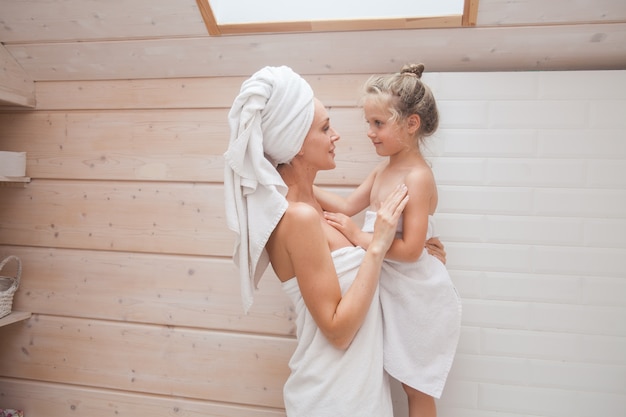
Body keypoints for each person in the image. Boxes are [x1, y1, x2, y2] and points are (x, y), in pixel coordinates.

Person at [223, 65, 446, 417]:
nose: (337, 135)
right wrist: (378, 244)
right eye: (326, 127)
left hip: (358, 397)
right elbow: (339, 332)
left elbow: (366, 273)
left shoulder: (310, 206)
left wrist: (419, 260)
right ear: (294, 142)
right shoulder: (298, 217)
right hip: (333, 399)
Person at [314, 63, 462, 417]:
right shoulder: (384, 168)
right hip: (393, 287)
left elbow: (411, 250)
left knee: (417, 388)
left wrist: (356, 235)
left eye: (378, 123)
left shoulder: (417, 176)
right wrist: (299, 185)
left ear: (411, 124)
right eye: (369, 122)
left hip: (417, 295)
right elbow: (350, 205)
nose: (369, 132)